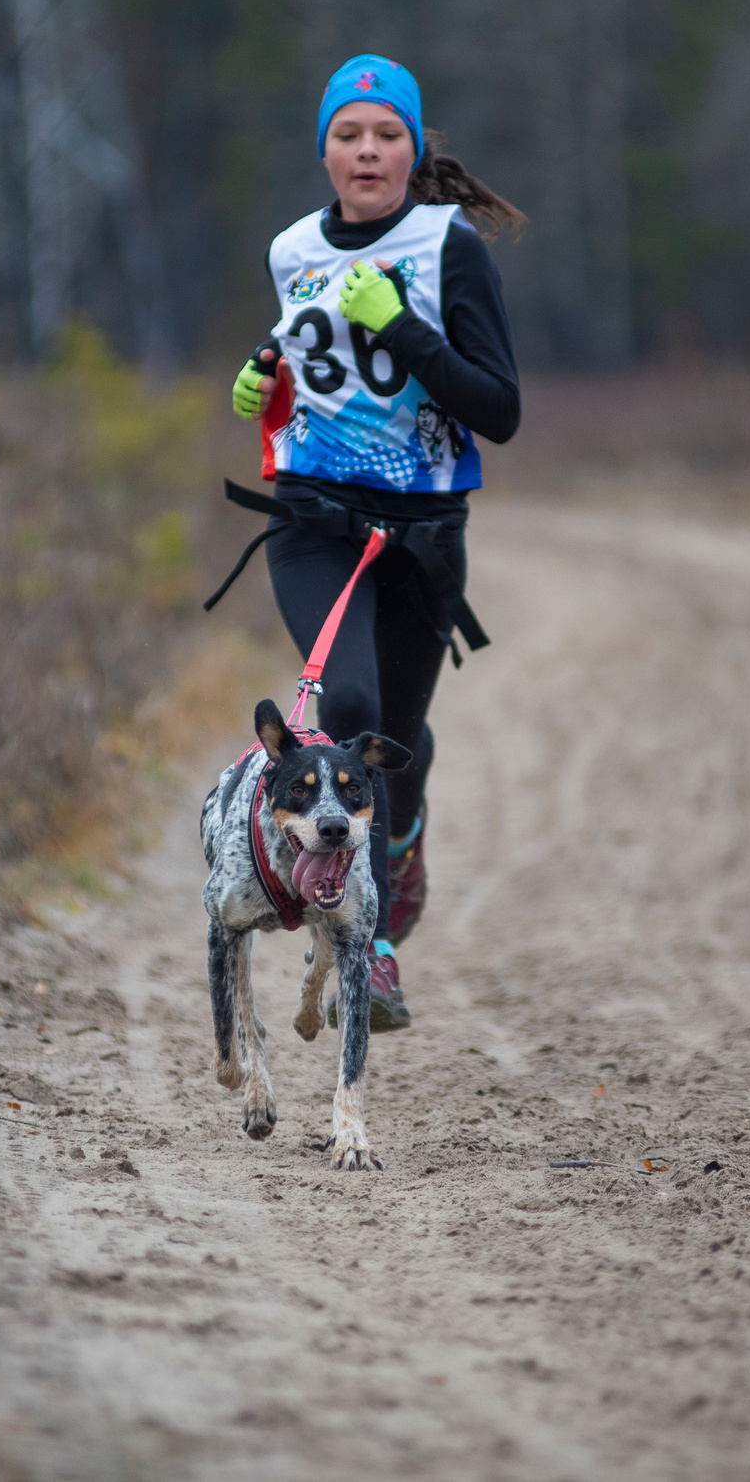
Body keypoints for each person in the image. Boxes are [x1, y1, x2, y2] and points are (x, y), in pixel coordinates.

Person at [222, 53, 524, 1032]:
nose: (367, 150)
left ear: (412, 147)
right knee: (346, 703)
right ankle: (373, 949)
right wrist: (263, 387)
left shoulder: (447, 249)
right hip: (313, 523)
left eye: (386, 134)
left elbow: (500, 407)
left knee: (394, 741)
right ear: (323, 152)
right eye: (348, 134)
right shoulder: (291, 249)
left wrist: (405, 330)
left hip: (423, 537)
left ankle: (406, 828)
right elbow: (309, 365)